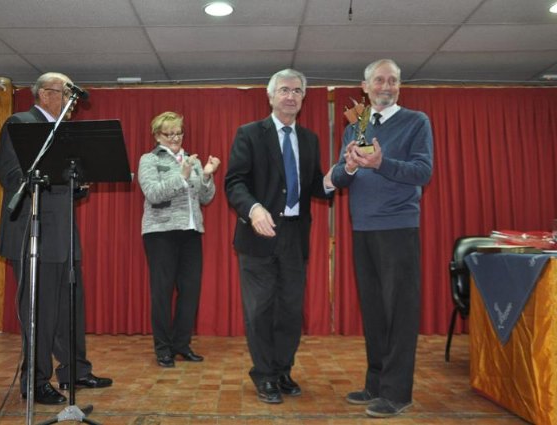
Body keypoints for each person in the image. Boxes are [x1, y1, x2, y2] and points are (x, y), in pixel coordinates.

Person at [0, 72, 112, 405]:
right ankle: (35, 380)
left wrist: (75, 185)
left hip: (64, 235)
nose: (72, 103)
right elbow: (10, 174)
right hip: (32, 235)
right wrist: (55, 180)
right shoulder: (20, 124)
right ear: (46, 94)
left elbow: (59, 181)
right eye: (67, 94)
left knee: (70, 307)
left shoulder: (64, 132)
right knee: (41, 312)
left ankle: (74, 371)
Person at [329, 59, 433, 418]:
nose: (386, 86)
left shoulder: (416, 121)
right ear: (365, 86)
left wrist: (382, 164)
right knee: (373, 310)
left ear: (399, 86)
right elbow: (340, 178)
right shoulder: (356, 126)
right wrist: (351, 166)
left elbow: (423, 171)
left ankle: (397, 392)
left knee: (400, 313)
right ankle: (375, 383)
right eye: (379, 80)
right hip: (362, 228)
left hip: (398, 228)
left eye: (392, 81)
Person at [224, 69, 333, 404]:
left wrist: (342, 175)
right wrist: (253, 209)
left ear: (302, 99)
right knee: (259, 310)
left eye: (297, 91)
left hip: (295, 235)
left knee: (289, 309)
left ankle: (283, 369)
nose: (291, 96)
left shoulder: (310, 139)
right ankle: (264, 374)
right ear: (270, 96)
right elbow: (234, 182)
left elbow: (317, 185)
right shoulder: (249, 134)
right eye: (284, 90)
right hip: (259, 235)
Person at [138, 111, 221, 368]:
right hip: (160, 233)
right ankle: (163, 349)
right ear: (157, 136)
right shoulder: (149, 160)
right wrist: (181, 177)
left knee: (190, 292)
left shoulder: (192, 160)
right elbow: (153, 194)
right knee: (162, 292)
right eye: (169, 134)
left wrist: (206, 175)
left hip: (191, 231)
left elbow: (205, 198)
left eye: (178, 133)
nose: (175, 138)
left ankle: (182, 345)